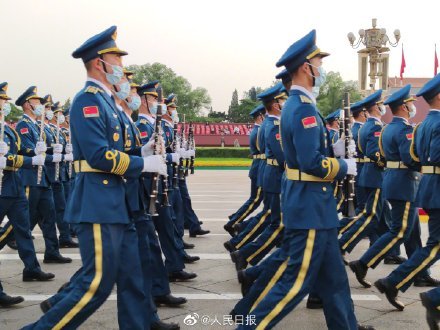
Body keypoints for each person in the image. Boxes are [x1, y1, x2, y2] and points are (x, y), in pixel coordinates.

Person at [23, 25, 167, 329]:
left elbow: (120, 147)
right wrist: (145, 164)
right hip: (99, 201)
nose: (122, 69)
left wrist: (144, 149)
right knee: (96, 284)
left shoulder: (108, 103)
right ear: (100, 63)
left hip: (119, 202)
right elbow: (100, 155)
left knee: (132, 278)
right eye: (118, 62)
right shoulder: (88, 101)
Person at [237, 29, 364, 330]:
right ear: (306, 68)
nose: (322, 70)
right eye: (319, 64)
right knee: (294, 284)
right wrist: (344, 166)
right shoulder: (303, 108)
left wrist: (331, 151)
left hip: (314, 207)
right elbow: (310, 163)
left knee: (334, 281)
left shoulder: (300, 106)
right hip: (309, 208)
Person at [348, 84, 438, 290]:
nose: (412, 107)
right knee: (399, 231)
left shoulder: (388, 128)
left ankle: (421, 273)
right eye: (410, 104)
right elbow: (410, 157)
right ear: (405, 108)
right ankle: (363, 263)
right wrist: (426, 165)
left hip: (395, 181)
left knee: (412, 232)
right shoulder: (405, 130)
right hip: (404, 182)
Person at [375, 73, 440, 314]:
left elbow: (416, 156)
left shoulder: (423, 125)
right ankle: (394, 282)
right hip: (437, 188)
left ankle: (394, 282)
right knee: (434, 245)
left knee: (432, 244)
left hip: (429, 186)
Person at [0, 82, 54, 284]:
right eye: (2, 100)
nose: (5, 104)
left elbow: (20, 152)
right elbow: (10, 159)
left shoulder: (9, 130)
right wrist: (31, 159)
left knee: (23, 229)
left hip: (15, 185)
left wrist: (39, 151)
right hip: (2, 187)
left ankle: (31, 268)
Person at [15, 86, 72, 264]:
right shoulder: (23, 124)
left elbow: (41, 150)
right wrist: (45, 153)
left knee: (50, 215)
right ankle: (10, 238)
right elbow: (26, 150)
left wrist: (52, 151)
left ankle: (52, 252)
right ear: (27, 105)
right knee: (27, 217)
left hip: (44, 177)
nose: (40, 105)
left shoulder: (37, 125)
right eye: (37, 102)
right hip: (31, 177)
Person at [224, 104, 265, 236]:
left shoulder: (257, 130)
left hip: (258, 166)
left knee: (255, 200)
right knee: (255, 200)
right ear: (260, 117)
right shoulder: (259, 131)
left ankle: (235, 218)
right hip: (260, 168)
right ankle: (233, 223)